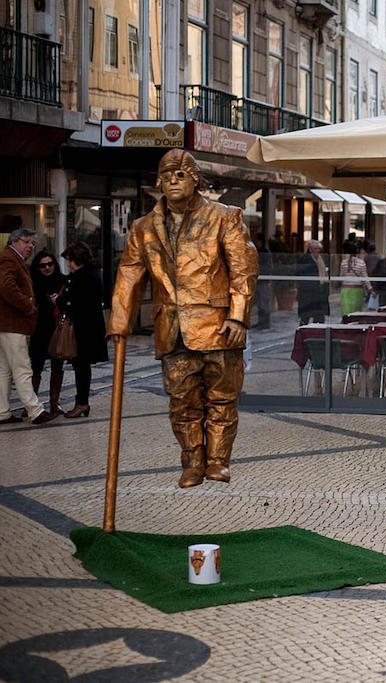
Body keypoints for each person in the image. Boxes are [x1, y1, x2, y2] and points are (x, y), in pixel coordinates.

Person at [108, 149, 258, 487]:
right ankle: (192, 461)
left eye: (181, 174)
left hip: (219, 327)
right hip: (172, 328)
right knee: (182, 402)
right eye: (167, 175)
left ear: (196, 179)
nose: (173, 181)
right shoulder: (143, 227)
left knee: (221, 399)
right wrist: (119, 322)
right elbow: (128, 275)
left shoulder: (225, 217)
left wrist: (238, 317)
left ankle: (218, 460)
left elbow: (244, 270)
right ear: (158, 181)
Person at [0, 228, 58, 425]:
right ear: (14, 241)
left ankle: (2, 412)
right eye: (26, 242)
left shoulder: (11, 257)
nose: (30, 247)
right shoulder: (8, 258)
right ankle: (35, 411)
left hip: (7, 323)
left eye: (32, 243)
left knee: (4, 370)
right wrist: (28, 304)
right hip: (12, 323)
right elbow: (6, 286)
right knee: (23, 368)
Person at [54, 242, 108, 418]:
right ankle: (82, 402)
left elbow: (76, 303)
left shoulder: (82, 277)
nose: (68, 264)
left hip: (82, 330)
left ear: (76, 259)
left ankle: (82, 403)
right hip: (88, 328)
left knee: (81, 367)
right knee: (81, 366)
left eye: (69, 260)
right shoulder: (91, 274)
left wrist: (58, 301)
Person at [29, 251, 67, 415]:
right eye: (43, 265)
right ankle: (31, 404)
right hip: (38, 330)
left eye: (50, 264)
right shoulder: (32, 283)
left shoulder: (63, 281)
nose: (47, 268)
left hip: (58, 329)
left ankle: (54, 403)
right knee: (35, 367)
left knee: (57, 366)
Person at [296, 239, 330, 325]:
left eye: (318, 249)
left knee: (319, 316)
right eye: (315, 249)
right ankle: (303, 333)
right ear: (310, 249)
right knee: (306, 316)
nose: (317, 251)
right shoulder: (305, 259)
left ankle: (317, 334)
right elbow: (300, 273)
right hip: (308, 292)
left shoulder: (320, 259)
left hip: (318, 292)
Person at [339, 241, 372, 315]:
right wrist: (370, 289)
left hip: (346, 289)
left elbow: (341, 277)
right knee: (356, 312)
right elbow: (365, 277)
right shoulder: (361, 263)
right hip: (357, 289)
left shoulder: (343, 263)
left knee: (346, 311)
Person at [252, 233, 273, 329]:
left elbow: (269, 267)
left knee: (264, 302)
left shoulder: (264, 252)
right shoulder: (257, 251)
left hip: (264, 281)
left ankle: (265, 322)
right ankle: (261, 322)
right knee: (260, 303)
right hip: (259, 281)